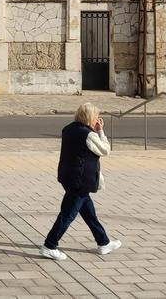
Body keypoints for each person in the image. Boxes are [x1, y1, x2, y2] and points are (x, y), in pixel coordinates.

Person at [39, 102, 122, 260]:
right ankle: (49, 246)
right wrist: (100, 131)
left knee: (89, 212)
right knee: (68, 214)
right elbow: (105, 150)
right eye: (96, 116)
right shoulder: (88, 134)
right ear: (90, 117)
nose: (98, 119)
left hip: (68, 176)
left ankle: (103, 242)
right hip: (80, 180)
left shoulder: (68, 128)